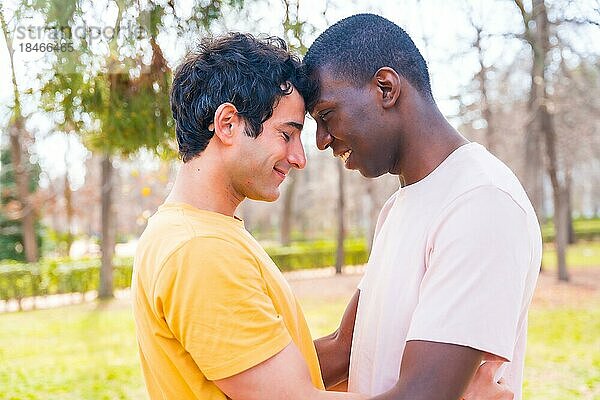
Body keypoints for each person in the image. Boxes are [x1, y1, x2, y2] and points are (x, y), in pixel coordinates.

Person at [132, 32, 510, 400]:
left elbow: (318, 360)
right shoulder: (200, 249)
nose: (300, 157)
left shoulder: (194, 234)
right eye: (287, 134)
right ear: (228, 124)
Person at [301, 13, 541, 400]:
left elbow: (419, 395)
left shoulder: (481, 201)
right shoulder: (398, 207)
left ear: (385, 88)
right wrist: (224, 375)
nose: (321, 141)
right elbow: (346, 351)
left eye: (327, 115)